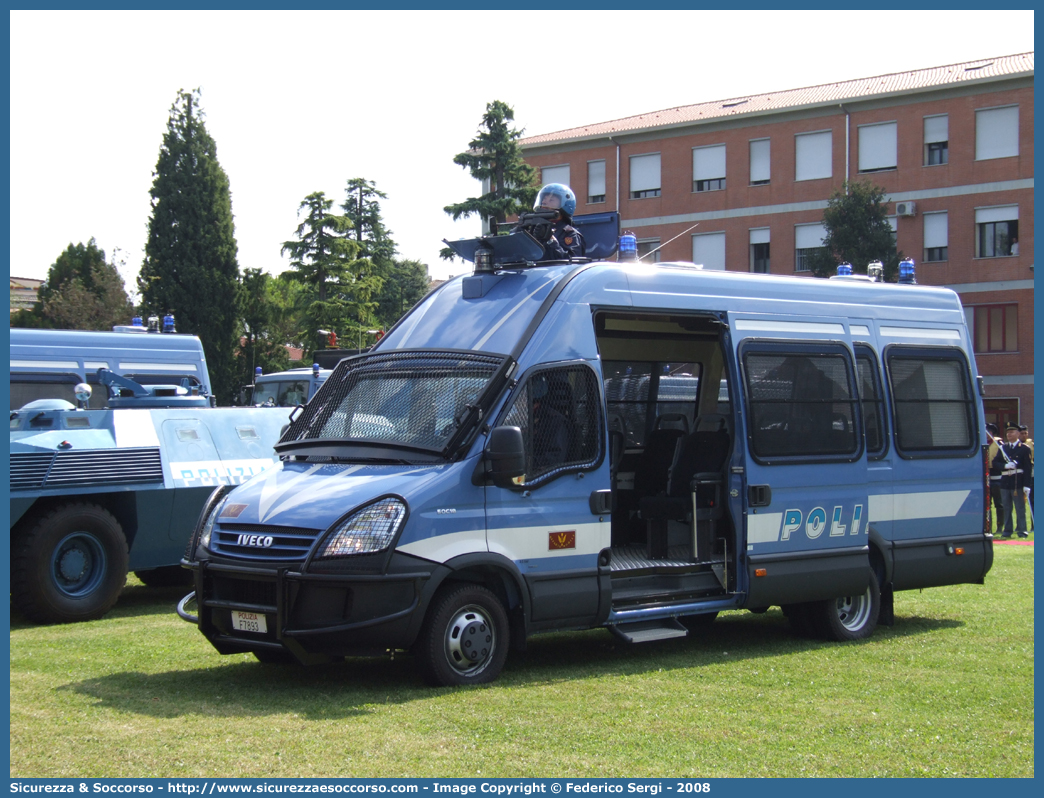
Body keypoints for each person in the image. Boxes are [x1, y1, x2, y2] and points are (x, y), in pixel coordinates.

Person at [516, 183, 585, 261]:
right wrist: (520, 235)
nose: (544, 202)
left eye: (551, 200)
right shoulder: (533, 229)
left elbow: (571, 263)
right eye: (544, 199)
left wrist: (551, 240)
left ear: (565, 205)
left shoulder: (570, 234)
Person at [994, 422, 1032, 538]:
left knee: (1020, 507)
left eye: (1011, 432)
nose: (1008, 434)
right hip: (1005, 481)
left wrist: (1027, 485)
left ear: (1017, 433)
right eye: (1007, 432)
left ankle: (1022, 530)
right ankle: (1007, 530)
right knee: (1006, 506)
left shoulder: (1024, 449)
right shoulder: (1003, 448)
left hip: (1018, 481)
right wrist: (1005, 466)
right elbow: (995, 462)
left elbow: (1027, 468)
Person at [986, 423, 1005, 526]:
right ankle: (988, 526)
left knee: (999, 503)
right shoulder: (982, 443)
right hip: (985, 475)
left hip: (997, 476)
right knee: (987, 504)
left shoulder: (999, 444)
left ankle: (1000, 525)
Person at [1019, 424, 1034, 520]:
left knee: (1032, 500)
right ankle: (1020, 524)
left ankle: (1034, 524)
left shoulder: (1032, 445)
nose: (1024, 435)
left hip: (1031, 474)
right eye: (1022, 433)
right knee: (1019, 502)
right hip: (1019, 474)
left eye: (1026, 433)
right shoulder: (1014, 445)